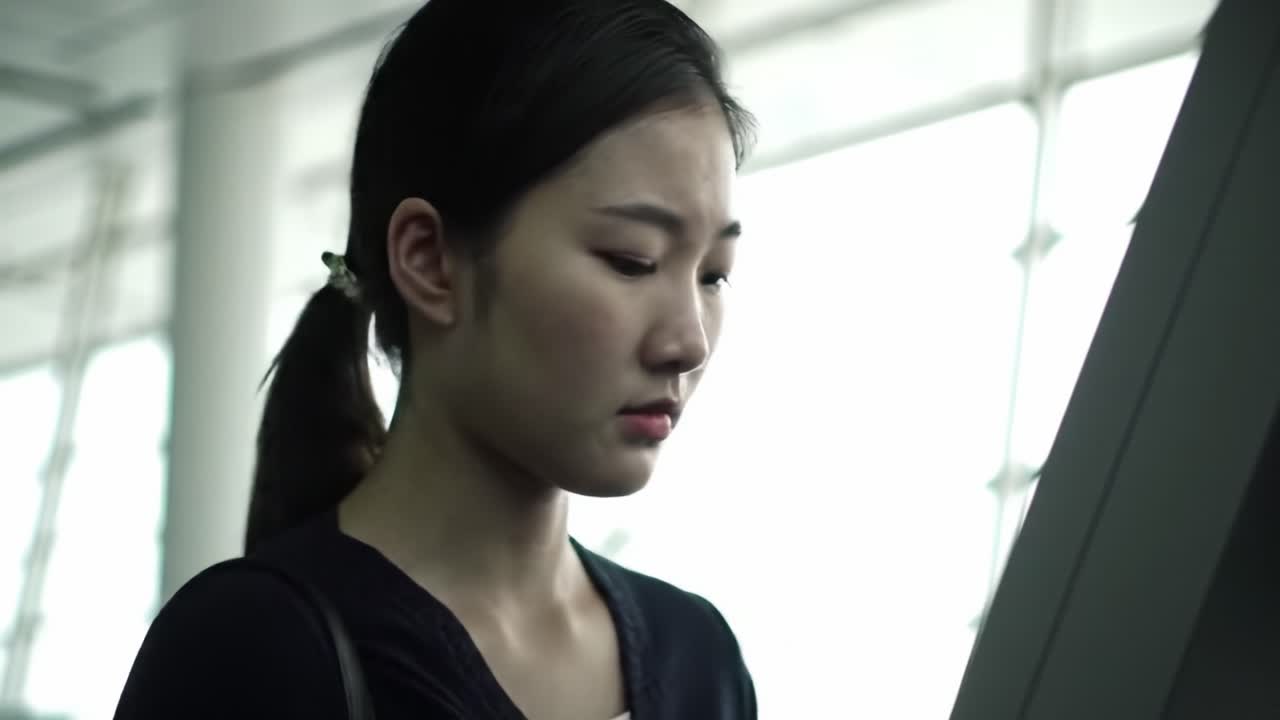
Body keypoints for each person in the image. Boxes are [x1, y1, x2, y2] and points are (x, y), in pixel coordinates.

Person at [114, 0, 757, 717]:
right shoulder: (251, 650)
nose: (688, 341)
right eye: (631, 260)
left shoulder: (698, 656)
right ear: (429, 262)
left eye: (713, 273)